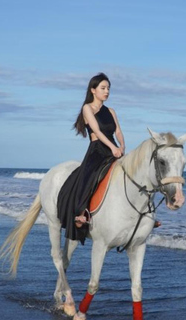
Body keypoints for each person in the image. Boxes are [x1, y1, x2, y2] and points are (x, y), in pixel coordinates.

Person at [57, 73, 125, 245]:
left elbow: (117, 131)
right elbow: (98, 131)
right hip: (97, 150)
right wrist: (112, 147)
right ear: (93, 90)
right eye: (103, 88)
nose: (107, 91)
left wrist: (122, 146)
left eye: (108, 88)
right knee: (90, 176)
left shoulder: (111, 111)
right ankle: (83, 212)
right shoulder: (87, 108)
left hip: (114, 149)